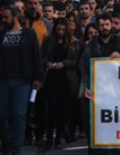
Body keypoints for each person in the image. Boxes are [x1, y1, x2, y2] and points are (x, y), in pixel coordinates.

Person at [0, 6, 44, 155]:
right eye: (3, 17)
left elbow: (36, 56)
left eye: (6, 17)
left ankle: (15, 150)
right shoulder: (0, 35)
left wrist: (38, 77)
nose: (4, 20)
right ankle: (7, 142)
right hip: (3, 81)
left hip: (22, 81)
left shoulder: (28, 34)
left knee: (19, 115)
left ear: (15, 17)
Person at [81, 13, 120, 154]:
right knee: (95, 127)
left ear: (112, 25)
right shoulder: (91, 44)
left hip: (117, 91)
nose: (105, 28)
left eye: (107, 24)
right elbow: (85, 67)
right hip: (98, 91)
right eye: (102, 25)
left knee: (115, 125)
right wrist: (87, 87)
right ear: (98, 26)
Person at [41, 18, 80, 150]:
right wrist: (47, 64)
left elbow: (76, 62)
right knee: (51, 109)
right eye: (59, 29)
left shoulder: (74, 43)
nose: (61, 32)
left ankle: (58, 138)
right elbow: (42, 57)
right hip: (51, 78)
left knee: (63, 111)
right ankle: (50, 139)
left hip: (66, 79)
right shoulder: (48, 41)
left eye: (64, 30)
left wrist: (64, 63)